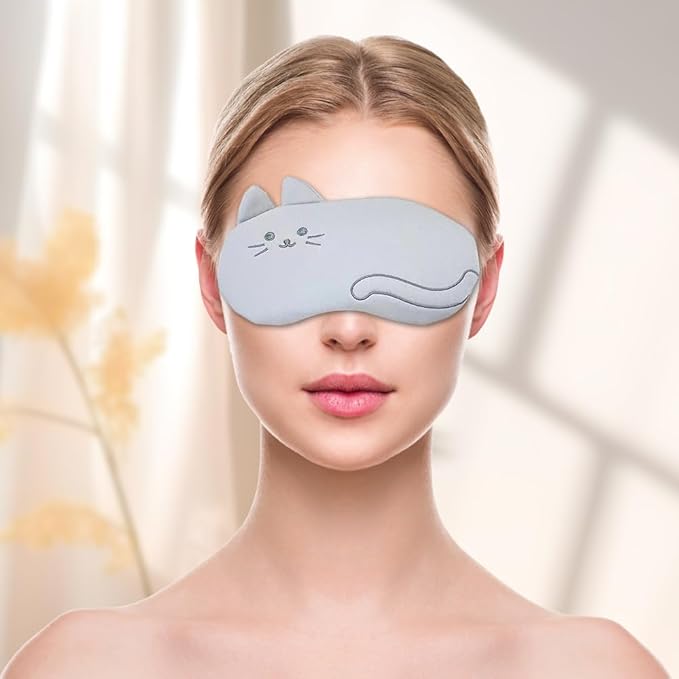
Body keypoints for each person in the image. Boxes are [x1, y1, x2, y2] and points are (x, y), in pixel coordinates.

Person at [2, 34, 669, 679]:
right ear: (211, 280)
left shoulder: (597, 671)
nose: (349, 328)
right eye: (293, 261)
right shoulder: (82, 668)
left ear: (486, 286)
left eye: (408, 259)